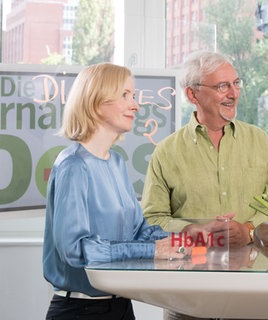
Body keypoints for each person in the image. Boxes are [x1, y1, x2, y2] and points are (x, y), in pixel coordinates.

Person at [141, 51, 268, 320]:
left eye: (236, 83)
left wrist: (249, 230)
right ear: (192, 95)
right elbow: (151, 219)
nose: (233, 93)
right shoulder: (166, 152)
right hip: (187, 299)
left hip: (254, 295)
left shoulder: (260, 141)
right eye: (222, 86)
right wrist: (192, 231)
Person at [43, 63, 186, 320]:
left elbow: (138, 230)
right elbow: (74, 249)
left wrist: (185, 241)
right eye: (125, 95)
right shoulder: (73, 166)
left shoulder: (116, 162)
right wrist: (153, 251)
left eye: (133, 96)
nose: (135, 105)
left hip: (120, 306)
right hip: (80, 311)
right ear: (95, 101)